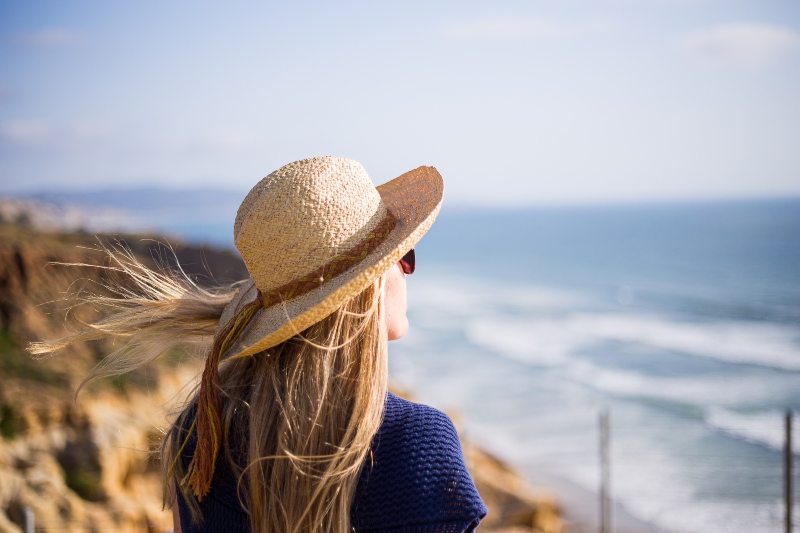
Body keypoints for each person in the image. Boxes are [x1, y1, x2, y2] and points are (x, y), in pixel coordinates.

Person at [31, 157, 487, 533]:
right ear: (366, 288)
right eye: (402, 255)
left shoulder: (203, 431)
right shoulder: (415, 445)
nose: (408, 272)